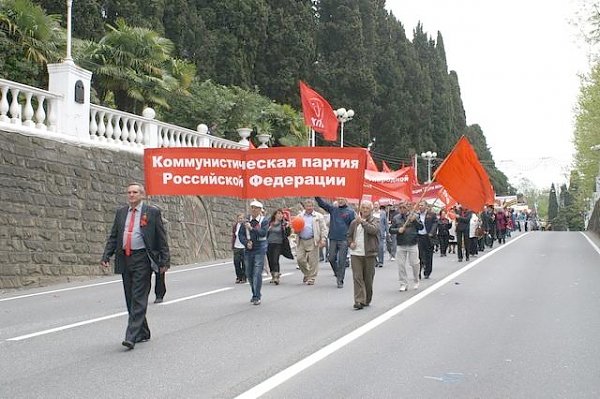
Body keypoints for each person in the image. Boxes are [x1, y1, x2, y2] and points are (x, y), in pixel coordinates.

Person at [101, 182, 170, 350]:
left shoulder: (151, 212)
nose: (131, 195)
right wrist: (107, 255)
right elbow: (114, 235)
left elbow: (161, 237)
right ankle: (143, 331)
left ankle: (130, 336)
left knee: (139, 296)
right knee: (130, 297)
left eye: (134, 192)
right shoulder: (121, 212)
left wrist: (164, 260)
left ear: (142, 195)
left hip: (142, 258)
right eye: (129, 192)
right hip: (125, 258)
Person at [347, 200, 380, 309]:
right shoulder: (354, 222)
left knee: (368, 279)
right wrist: (350, 243)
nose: (365, 210)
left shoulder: (375, 220)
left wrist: (363, 222)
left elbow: (374, 230)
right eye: (363, 208)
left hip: (369, 253)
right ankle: (359, 301)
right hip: (356, 253)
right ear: (360, 209)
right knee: (357, 277)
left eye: (367, 208)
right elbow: (349, 235)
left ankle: (367, 299)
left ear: (371, 210)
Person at [315, 196, 353, 288]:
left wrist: (351, 239)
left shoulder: (350, 212)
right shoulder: (333, 209)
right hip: (333, 238)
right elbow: (322, 204)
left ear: (346, 200)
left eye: (342, 199)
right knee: (331, 258)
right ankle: (337, 272)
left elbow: (353, 226)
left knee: (342, 260)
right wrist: (316, 196)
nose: (340, 201)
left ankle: (340, 280)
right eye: (339, 199)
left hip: (344, 239)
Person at [238, 200, 269, 305]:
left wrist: (252, 229)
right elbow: (241, 234)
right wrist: (246, 243)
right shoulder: (246, 221)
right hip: (248, 249)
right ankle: (254, 292)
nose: (253, 209)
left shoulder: (264, 221)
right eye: (252, 207)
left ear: (260, 210)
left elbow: (263, 232)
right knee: (249, 273)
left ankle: (257, 295)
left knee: (257, 272)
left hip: (259, 248)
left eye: (256, 208)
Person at [389, 201, 423, 291]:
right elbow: (391, 229)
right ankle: (403, 283)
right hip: (401, 244)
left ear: (408, 207)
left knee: (414, 263)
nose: (402, 209)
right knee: (401, 265)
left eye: (404, 207)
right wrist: (397, 230)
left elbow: (421, 227)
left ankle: (416, 280)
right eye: (400, 208)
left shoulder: (415, 216)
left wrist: (415, 221)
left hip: (413, 243)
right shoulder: (396, 218)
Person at [296, 198, 328, 285]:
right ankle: (307, 273)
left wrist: (323, 239)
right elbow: (295, 227)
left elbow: (323, 229)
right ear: (305, 207)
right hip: (301, 240)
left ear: (313, 206)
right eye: (307, 206)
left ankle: (312, 278)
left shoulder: (318, 216)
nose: (309, 208)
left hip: (313, 240)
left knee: (313, 261)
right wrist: (295, 230)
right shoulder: (300, 216)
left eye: (311, 206)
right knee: (300, 259)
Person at [266, 208, 291, 285]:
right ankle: (273, 275)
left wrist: (287, 228)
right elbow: (264, 232)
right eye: (279, 214)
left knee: (275, 259)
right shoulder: (269, 223)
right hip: (269, 243)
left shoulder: (283, 224)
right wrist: (267, 229)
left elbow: (287, 234)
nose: (280, 215)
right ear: (275, 215)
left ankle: (276, 276)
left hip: (278, 243)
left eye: (281, 214)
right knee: (270, 260)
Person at [416, 201, 438, 279]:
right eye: (419, 205)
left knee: (428, 255)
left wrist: (432, 232)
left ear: (426, 206)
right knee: (419, 255)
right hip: (419, 237)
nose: (420, 207)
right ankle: (418, 272)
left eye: (422, 205)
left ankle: (427, 272)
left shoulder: (431, 214)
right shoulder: (416, 215)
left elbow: (435, 223)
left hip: (428, 237)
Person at [231, 213, 246, 284]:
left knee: (244, 263)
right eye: (239, 218)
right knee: (236, 262)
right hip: (236, 246)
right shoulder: (235, 226)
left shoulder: (246, 226)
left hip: (244, 247)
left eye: (242, 218)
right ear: (237, 219)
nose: (241, 220)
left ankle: (244, 277)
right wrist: (233, 245)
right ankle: (238, 277)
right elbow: (234, 236)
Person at [372, 202, 388, 268]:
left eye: (377, 205)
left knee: (380, 247)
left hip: (380, 232)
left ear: (379, 206)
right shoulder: (371, 213)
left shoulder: (383, 213)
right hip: (373, 232)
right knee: (373, 247)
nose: (375, 206)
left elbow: (385, 223)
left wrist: (387, 232)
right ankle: (375, 261)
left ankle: (381, 261)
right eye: (374, 205)